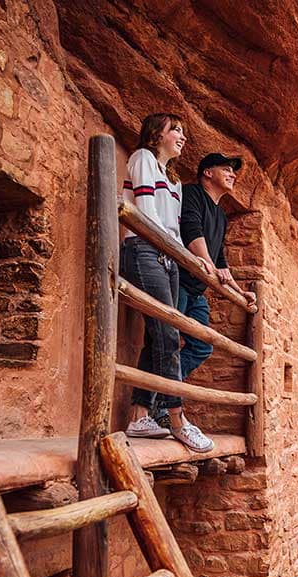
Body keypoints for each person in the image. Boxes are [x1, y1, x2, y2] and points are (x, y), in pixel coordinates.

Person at [119, 113, 214, 453]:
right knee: (169, 335)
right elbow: (146, 214)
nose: (182, 136)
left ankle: (139, 415)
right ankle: (177, 420)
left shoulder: (173, 180)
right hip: (144, 250)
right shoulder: (142, 158)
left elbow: (173, 229)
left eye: (184, 131)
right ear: (156, 134)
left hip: (168, 258)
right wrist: (174, 252)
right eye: (175, 129)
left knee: (158, 336)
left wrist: (194, 259)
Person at [153, 153, 255, 429]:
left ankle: (162, 399)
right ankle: (160, 405)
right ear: (207, 172)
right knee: (166, 343)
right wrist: (208, 264)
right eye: (226, 169)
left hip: (197, 289)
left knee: (201, 346)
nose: (232, 175)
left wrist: (239, 290)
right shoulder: (192, 193)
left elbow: (218, 258)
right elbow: (190, 229)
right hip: (179, 280)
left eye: (233, 172)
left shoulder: (221, 215)